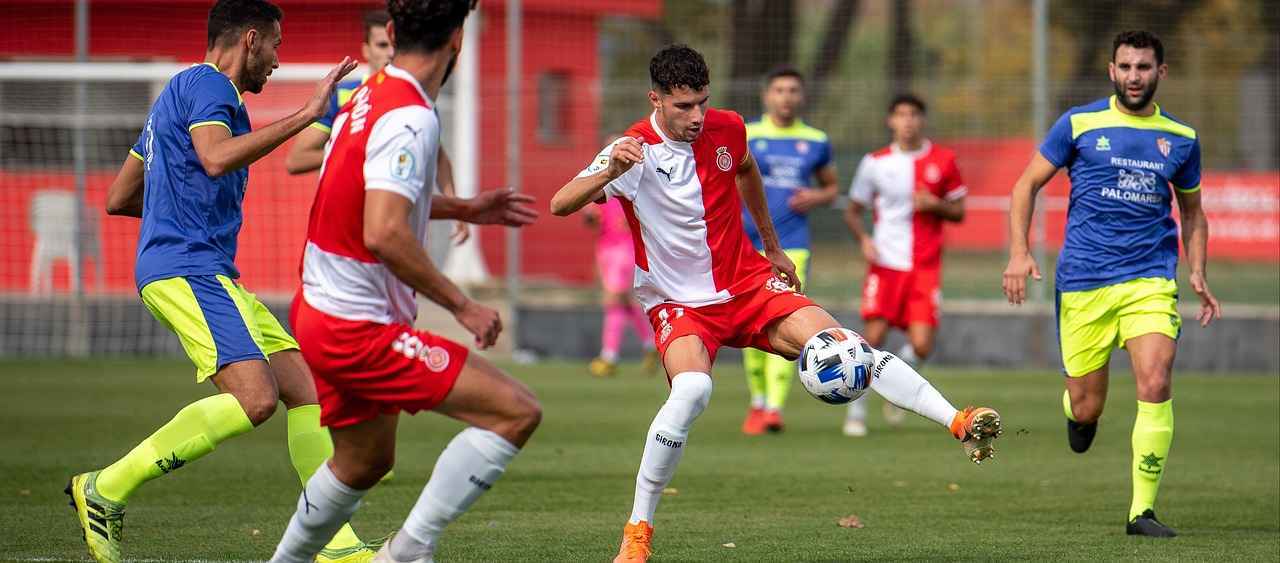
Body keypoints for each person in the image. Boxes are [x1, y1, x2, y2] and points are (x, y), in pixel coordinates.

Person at [550, 44, 1002, 563]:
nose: (696, 116)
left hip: (747, 283)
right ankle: (638, 531)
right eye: (682, 106)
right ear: (656, 99)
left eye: (702, 102)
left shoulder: (728, 127)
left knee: (847, 346)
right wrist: (608, 170)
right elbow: (562, 203)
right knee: (692, 391)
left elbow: (745, 172)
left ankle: (958, 421)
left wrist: (771, 245)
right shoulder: (631, 149)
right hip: (680, 302)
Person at [69, 2, 366, 562]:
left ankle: (335, 544)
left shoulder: (173, 97)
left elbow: (119, 198)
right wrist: (307, 115)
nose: (277, 61)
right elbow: (213, 158)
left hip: (201, 267)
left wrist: (172, 210)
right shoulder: (211, 88)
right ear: (250, 40)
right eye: (276, 45)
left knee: (310, 393)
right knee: (256, 399)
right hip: (188, 267)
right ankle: (104, 488)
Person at [267, 2, 543, 562]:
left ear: (391, 33)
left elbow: (368, 201)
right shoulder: (411, 116)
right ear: (458, 41)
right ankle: (407, 553)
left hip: (320, 310)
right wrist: (464, 306)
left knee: (363, 462)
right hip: (355, 327)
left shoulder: (367, 95)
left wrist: (465, 206)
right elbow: (385, 232)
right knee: (515, 411)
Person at [1003, 30, 1220, 538]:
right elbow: (1025, 184)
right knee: (1087, 406)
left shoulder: (1181, 138)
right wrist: (1018, 251)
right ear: (1111, 71)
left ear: (1160, 73)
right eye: (1125, 67)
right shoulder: (1079, 123)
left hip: (1149, 279)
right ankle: (1077, 415)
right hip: (1083, 283)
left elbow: (1194, 213)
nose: (1134, 76)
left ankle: (1141, 511)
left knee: (1156, 381)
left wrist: (1197, 271)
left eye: (1144, 67)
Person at [285, 8, 468, 246]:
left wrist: (456, 205)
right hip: (347, 225)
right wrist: (361, 149)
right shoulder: (344, 96)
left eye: (394, 44)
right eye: (381, 45)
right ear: (366, 50)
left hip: (402, 220)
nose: (390, 53)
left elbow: (440, 157)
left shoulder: (420, 99)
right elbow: (297, 160)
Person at [841, 94, 967, 437]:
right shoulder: (875, 162)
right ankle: (856, 412)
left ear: (922, 120)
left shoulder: (943, 160)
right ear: (890, 121)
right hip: (886, 264)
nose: (908, 121)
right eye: (901, 115)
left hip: (925, 267)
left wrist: (935, 204)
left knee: (923, 345)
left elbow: (959, 211)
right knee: (873, 338)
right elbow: (853, 209)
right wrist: (864, 240)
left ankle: (896, 381)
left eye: (914, 114)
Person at [738, 67, 838, 435]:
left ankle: (774, 408)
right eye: (779, 89)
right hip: (746, 245)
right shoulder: (747, 134)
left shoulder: (816, 140)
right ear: (767, 96)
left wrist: (817, 195)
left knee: (785, 319)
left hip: (793, 244)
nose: (786, 96)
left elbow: (831, 187)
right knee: (751, 323)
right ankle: (758, 400)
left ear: (802, 97)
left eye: (793, 90)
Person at [585, 195, 659, 377]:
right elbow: (592, 220)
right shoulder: (601, 184)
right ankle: (651, 345)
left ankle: (609, 357)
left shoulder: (627, 184)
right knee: (625, 302)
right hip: (606, 248)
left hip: (623, 248)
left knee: (613, 299)